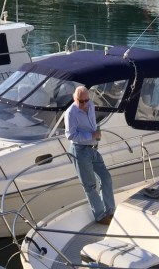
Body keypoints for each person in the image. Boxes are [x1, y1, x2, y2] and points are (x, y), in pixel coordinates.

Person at [64, 85, 115, 224]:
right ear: (74, 99)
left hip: (93, 148)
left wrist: (96, 131)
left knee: (106, 178)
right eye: (81, 101)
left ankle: (110, 211)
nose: (85, 104)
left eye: (87, 100)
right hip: (80, 150)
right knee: (90, 185)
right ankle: (100, 216)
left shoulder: (90, 104)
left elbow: (93, 122)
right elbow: (70, 135)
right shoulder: (70, 113)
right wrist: (91, 134)